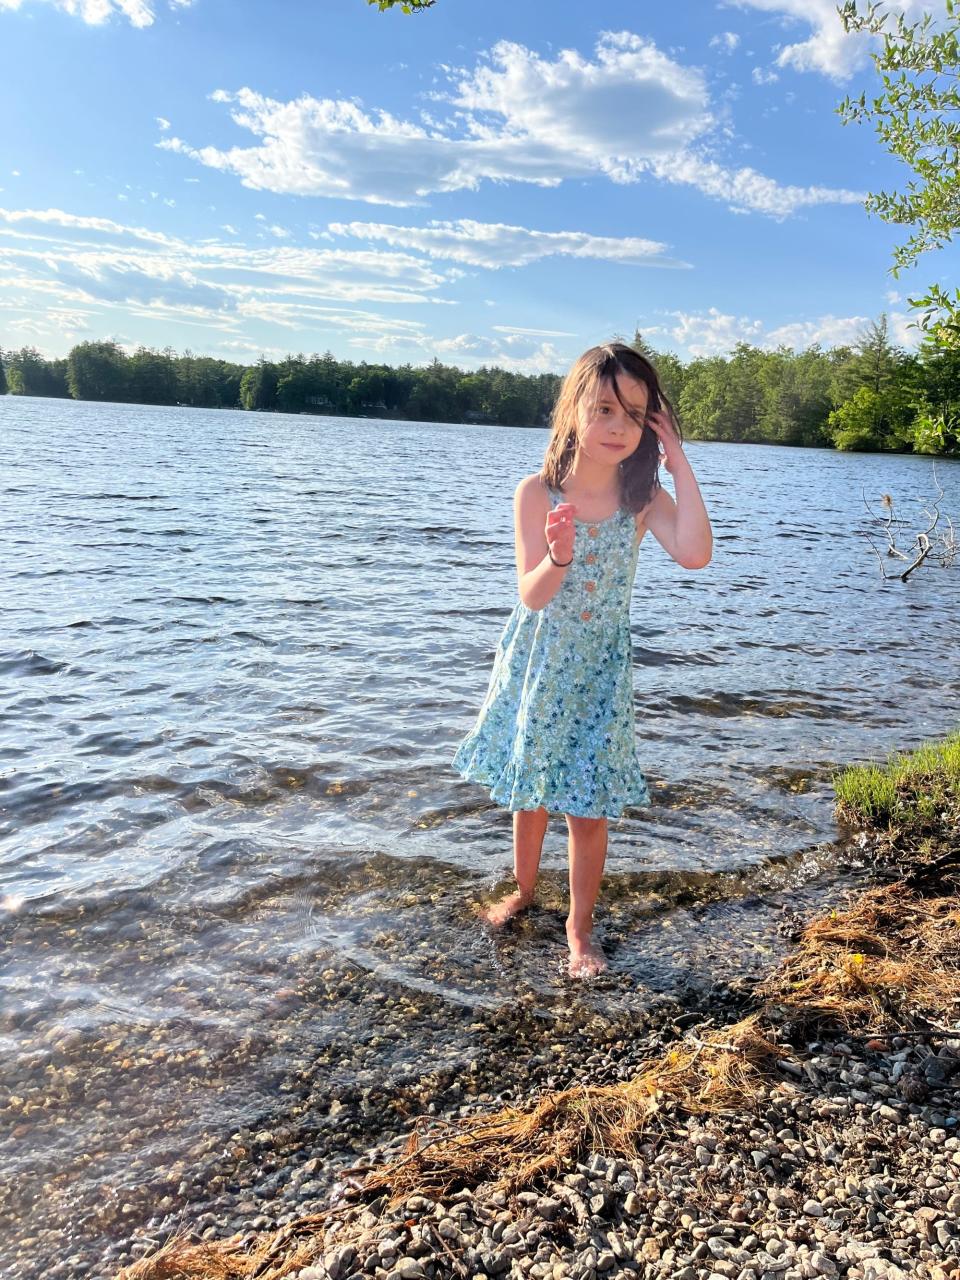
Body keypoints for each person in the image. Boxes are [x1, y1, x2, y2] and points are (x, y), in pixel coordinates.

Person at [453, 341, 713, 978]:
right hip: (539, 663)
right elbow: (532, 595)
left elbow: (696, 553)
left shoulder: (641, 495)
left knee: (588, 807)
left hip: (599, 670)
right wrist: (559, 555)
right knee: (531, 790)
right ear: (574, 410)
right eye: (603, 409)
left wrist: (679, 462)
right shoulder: (536, 492)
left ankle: (579, 928)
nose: (618, 426)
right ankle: (522, 889)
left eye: (634, 413)